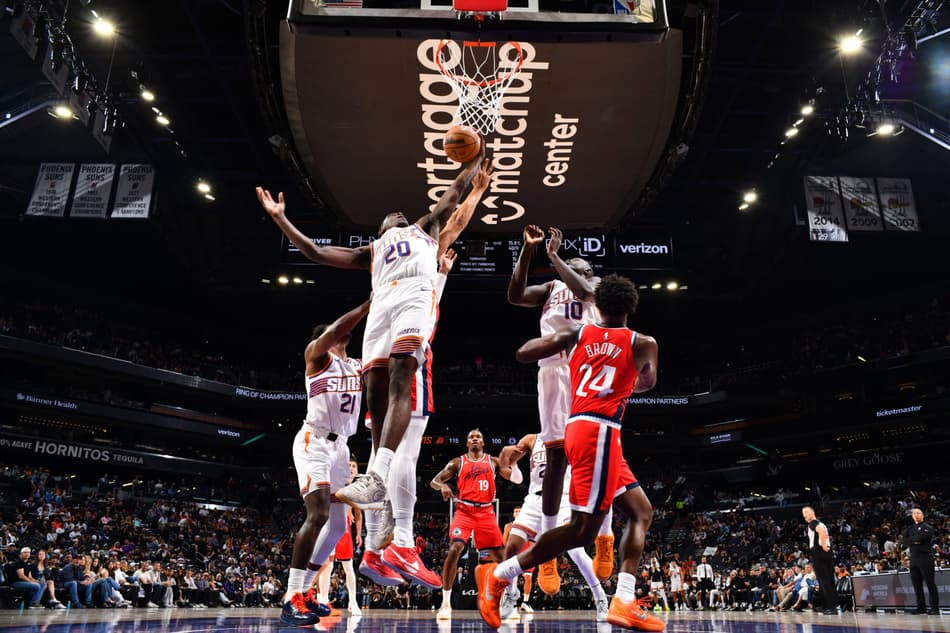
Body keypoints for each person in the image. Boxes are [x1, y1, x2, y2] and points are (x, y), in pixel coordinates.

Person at [256, 154, 491, 512]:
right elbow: (315, 251)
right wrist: (281, 219)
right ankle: (376, 487)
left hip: (414, 294)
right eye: (390, 216)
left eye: (400, 214)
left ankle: (377, 474)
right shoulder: (372, 251)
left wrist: (474, 160)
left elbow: (455, 193)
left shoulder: (424, 228)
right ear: (380, 230)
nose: (398, 213)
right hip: (381, 303)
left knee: (401, 373)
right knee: (375, 391)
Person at [478, 273, 663, 631]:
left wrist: (563, 349)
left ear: (597, 303)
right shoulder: (643, 342)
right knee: (581, 531)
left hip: (578, 426)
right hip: (601, 431)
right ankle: (500, 575)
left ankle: (623, 599)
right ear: (630, 306)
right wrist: (621, 382)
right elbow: (648, 382)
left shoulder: (578, 334)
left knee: (641, 511)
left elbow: (523, 353)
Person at [507, 225, 614, 589]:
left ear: (588, 271)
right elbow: (516, 295)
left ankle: (605, 535)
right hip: (552, 371)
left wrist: (553, 258)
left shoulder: (596, 288)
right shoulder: (552, 288)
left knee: (598, 455)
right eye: (568, 263)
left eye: (577, 264)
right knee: (556, 458)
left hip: (587, 368)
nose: (572, 267)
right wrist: (528, 252)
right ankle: (548, 547)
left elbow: (584, 290)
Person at [360, 250, 460, 590]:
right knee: (405, 456)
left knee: (379, 459)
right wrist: (440, 273)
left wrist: (442, 275)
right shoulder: (416, 289)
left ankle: (373, 548)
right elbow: (426, 302)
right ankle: (402, 541)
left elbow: (429, 299)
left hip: (378, 375)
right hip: (408, 368)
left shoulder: (384, 287)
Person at [281, 298, 372, 627]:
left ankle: (306, 591)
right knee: (318, 513)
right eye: (335, 333)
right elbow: (335, 329)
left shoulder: (357, 366)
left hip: (341, 449)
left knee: (337, 525)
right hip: (314, 442)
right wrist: (368, 304)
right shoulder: (316, 357)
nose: (341, 335)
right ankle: (290, 596)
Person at [497, 432, 610, 621]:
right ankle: (510, 593)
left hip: (564, 498)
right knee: (511, 547)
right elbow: (512, 470)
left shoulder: (572, 434)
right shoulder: (531, 439)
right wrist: (507, 457)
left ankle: (600, 598)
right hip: (534, 499)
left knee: (577, 551)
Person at [430, 428, 514, 619]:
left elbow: (512, 477)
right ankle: (445, 603)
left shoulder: (493, 462)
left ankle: (509, 601)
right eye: (471, 437)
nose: (475, 439)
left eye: (478, 437)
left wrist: (514, 465)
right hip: (464, 511)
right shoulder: (457, 462)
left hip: (486, 511)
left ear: (483, 443)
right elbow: (435, 481)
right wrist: (443, 485)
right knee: (454, 549)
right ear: (467, 443)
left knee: (501, 557)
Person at [314, 457, 363, 616]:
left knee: (348, 567)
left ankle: (353, 602)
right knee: (327, 565)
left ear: (356, 470)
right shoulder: (335, 481)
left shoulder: (358, 487)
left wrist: (359, 532)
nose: (351, 468)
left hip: (345, 530)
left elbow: (358, 513)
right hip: (329, 525)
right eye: (348, 465)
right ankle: (322, 600)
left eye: (354, 466)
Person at [902, 508, 939, 615]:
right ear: (912, 516)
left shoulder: (927, 527)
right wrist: (915, 540)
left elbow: (923, 538)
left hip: (925, 558)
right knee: (916, 584)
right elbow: (904, 542)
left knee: (930, 583)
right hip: (913, 559)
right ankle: (921, 607)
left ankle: (934, 608)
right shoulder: (909, 529)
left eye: (918, 513)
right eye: (914, 513)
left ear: (922, 515)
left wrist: (912, 540)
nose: (916, 515)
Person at [802, 506, 837, 615]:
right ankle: (828, 605)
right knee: (829, 579)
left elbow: (821, 532)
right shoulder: (822, 523)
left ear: (813, 513)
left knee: (823, 580)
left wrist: (823, 546)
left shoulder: (813, 523)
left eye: (806, 512)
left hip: (818, 552)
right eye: (803, 514)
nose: (805, 515)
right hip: (827, 553)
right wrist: (826, 548)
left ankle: (830, 607)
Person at [501, 506, 534, 615]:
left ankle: (525, 602)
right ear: (513, 514)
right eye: (516, 511)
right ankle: (512, 604)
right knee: (512, 580)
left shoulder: (529, 526)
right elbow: (504, 542)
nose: (518, 512)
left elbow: (533, 541)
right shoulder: (508, 526)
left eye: (520, 511)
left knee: (528, 578)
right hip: (514, 556)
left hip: (526, 556)